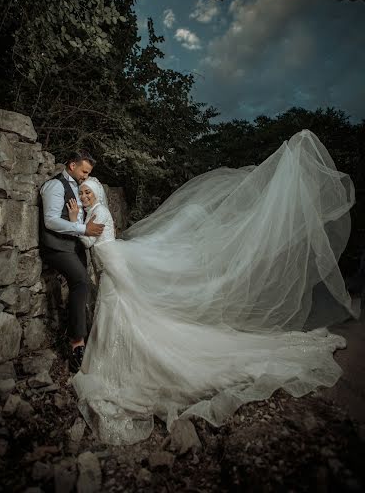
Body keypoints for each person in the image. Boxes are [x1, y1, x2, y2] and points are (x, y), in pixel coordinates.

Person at [72, 130, 360, 445]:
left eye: (88, 193)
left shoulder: (97, 214)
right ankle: (107, 359)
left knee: (121, 316)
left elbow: (90, 241)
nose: (85, 197)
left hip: (113, 272)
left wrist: (75, 221)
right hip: (112, 271)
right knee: (117, 316)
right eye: (83, 193)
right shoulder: (95, 212)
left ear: (96, 196)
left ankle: (116, 364)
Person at [39, 150, 106, 372]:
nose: (85, 176)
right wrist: (82, 227)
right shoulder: (55, 186)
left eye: (88, 173)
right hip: (56, 247)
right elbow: (50, 221)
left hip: (74, 245)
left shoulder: (78, 186)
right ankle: (76, 344)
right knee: (82, 283)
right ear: (71, 166)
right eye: (84, 171)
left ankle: (80, 332)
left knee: (83, 286)